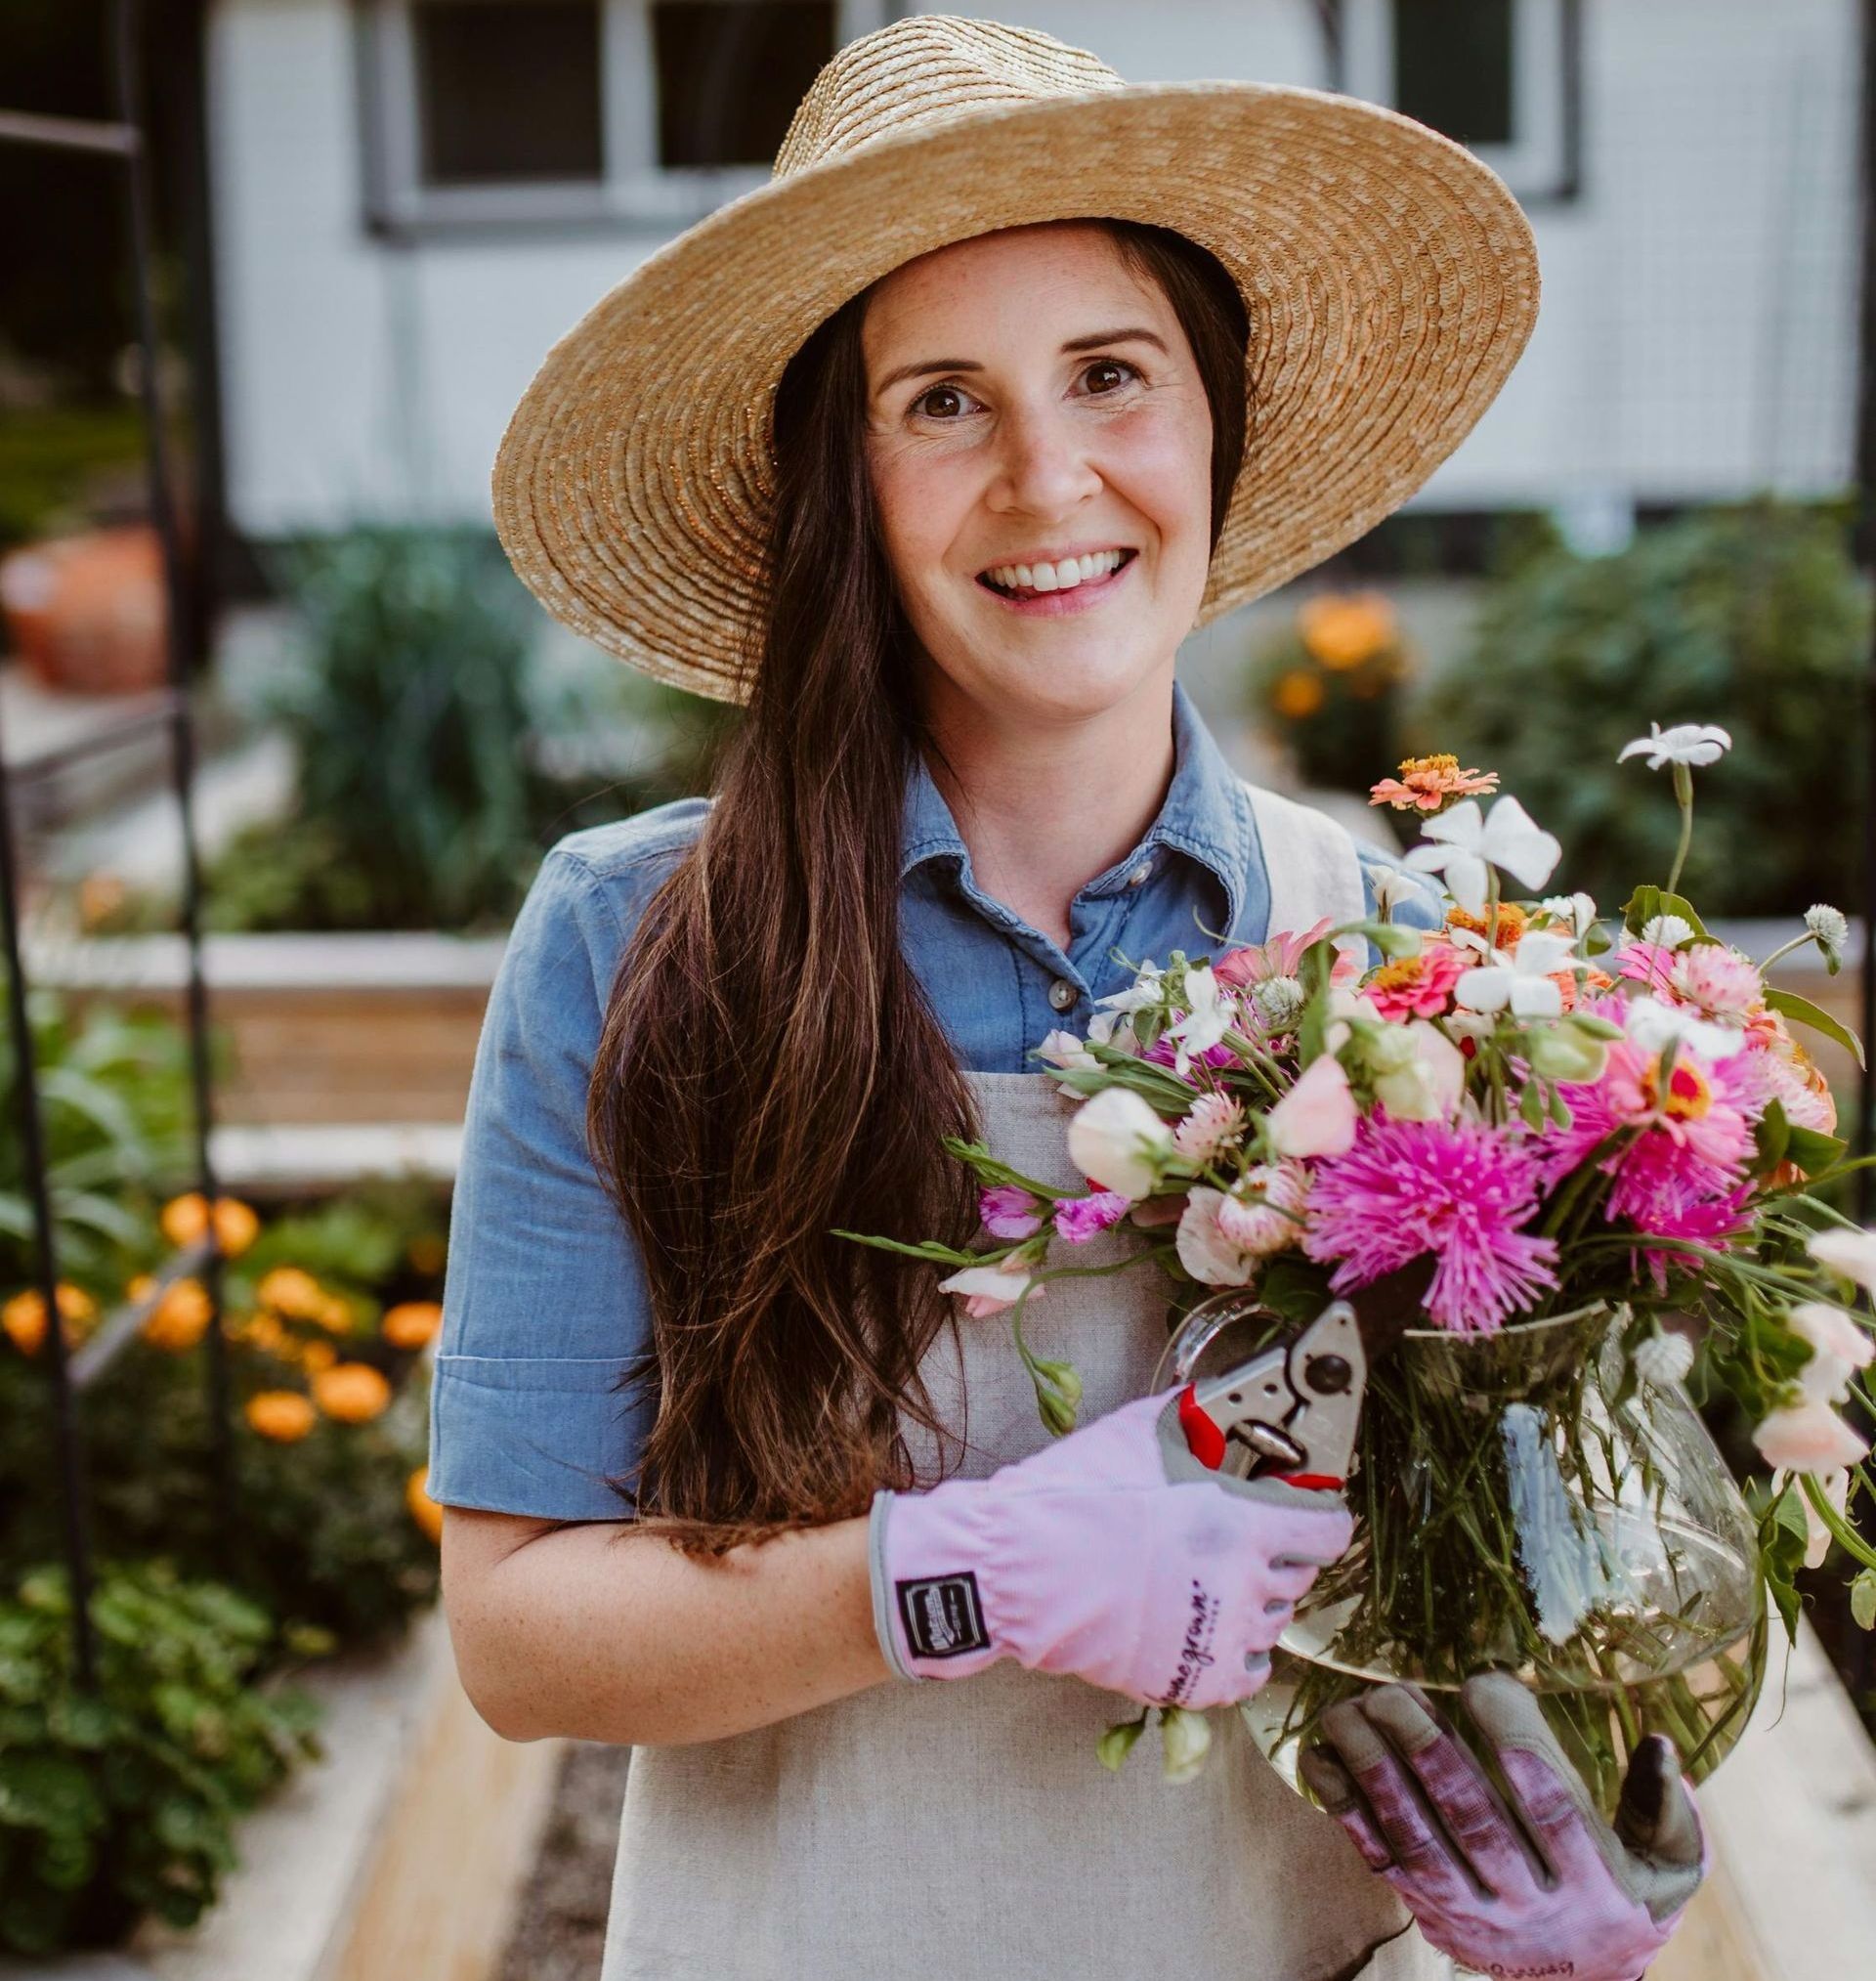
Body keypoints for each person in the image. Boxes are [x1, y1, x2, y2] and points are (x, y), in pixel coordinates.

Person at [432, 18, 1705, 1980]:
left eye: (1112, 375)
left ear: (1216, 425)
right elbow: (521, 1638)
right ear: (840, 482)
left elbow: (1515, 1563)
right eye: (942, 403)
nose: (1048, 477)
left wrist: (1596, 1822)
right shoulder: (641, 943)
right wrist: (966, 1573)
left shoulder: (1390, 954)